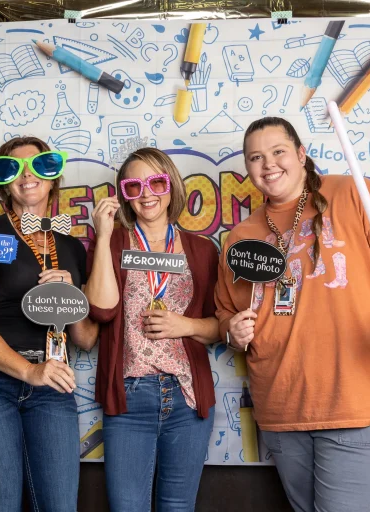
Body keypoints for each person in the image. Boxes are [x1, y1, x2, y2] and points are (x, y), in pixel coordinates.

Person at [215, 117, 370, 512]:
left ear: (301, 154)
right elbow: (226, 318)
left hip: (363, 400)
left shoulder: (356, 194)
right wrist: (232, 331)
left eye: (278, 152)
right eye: (255, 158)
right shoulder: (241, 237)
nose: (268, 164)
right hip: (282, 408)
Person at [0, 136, 98, 511]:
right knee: (1, 504)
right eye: (13, 168)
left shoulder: (72, 247)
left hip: (52, 379)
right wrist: (30, 371)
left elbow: (85, 338)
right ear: (3, 182)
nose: (27, 175)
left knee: (59, 505)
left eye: (39, 165)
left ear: (53, 177)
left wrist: (73, 299)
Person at [84, 147, 219, 511]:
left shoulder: (202, 250)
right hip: (129, 395)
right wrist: (103, 236)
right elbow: (102, 309)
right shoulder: (112, 243)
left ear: (171, 185)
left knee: (178, 506)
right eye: (134, 186)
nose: (146, 194)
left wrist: (185, 324)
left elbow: (219, 327)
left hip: (186, 396)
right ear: (123, 193)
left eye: (156, 182)